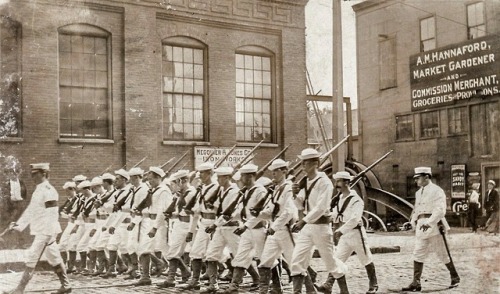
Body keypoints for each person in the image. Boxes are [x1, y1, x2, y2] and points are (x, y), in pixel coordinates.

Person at [3, 163, 71, 294]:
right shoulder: (39, 190)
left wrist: (48, 234)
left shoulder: (48, 190)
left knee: (31, 258)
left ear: (44, 174)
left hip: (46, 231)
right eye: (32, 174)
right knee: (54, 257)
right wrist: (17, 226)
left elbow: (52, 214)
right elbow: (31, 211)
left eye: (35, 174)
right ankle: (66, 286)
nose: (32, 176)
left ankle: (19, 289)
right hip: (44, 231)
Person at [290, 148, 349, 294]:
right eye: (302, 162)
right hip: (307, 228)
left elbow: (321, 207)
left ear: (315, 163)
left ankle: (344, 291)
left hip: (321, 227)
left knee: (331, 263)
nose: (302, 166)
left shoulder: (324, 182)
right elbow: (300, 205)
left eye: (306, 162)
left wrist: (303, 221)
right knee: (297, 261)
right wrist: (294, 195)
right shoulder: (305, 181)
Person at [316, 171, 378, 294]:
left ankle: (374, 284)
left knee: (366, 258)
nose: (336, 184)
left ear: (346, 182)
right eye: (336, 181)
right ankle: (329, 284)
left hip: (355, 234)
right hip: (344, 236)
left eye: (339, 181)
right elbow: (336, 214)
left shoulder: (356, 200)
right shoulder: (340, 198)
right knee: (337, 259)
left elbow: (355, 219)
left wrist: (340, 231)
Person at [402, 167, 460, 292]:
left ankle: (455, 276)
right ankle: (416, 282)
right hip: (421, 226)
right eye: (416, 178)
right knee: (418, 253)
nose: (416, 180)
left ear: (427, 177)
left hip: (435, 226)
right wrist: (411, 222)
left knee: (442, 253)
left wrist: (429, 223)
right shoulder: (419, 193)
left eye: (418, 178)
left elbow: (440, 210)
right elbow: (416, 210)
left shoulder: (437, 191)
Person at [255, 159, 298, 294]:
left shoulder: (288, 188)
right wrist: (258, 214)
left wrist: (275, 226)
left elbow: (289, 212)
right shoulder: (277, 189)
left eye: (276, 171)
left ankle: (308, 289)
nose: (273, 173)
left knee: (296, 264)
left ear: (284, 171)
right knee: (265, 262)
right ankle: (265, 290)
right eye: (272, 171)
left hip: (285, 230)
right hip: (275, 230)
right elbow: (272, 211)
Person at [0, 156, 28, 248]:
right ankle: (10, 243)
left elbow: (24, 193)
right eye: (10, 173)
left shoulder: (21, 182)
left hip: (20, 205)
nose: (13, 175)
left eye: (14, 173)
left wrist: (22, 202)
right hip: (11, 206)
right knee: (11, 223)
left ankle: (21, 243)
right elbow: (6, 196)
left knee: (20, 223)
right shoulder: (7, 184)